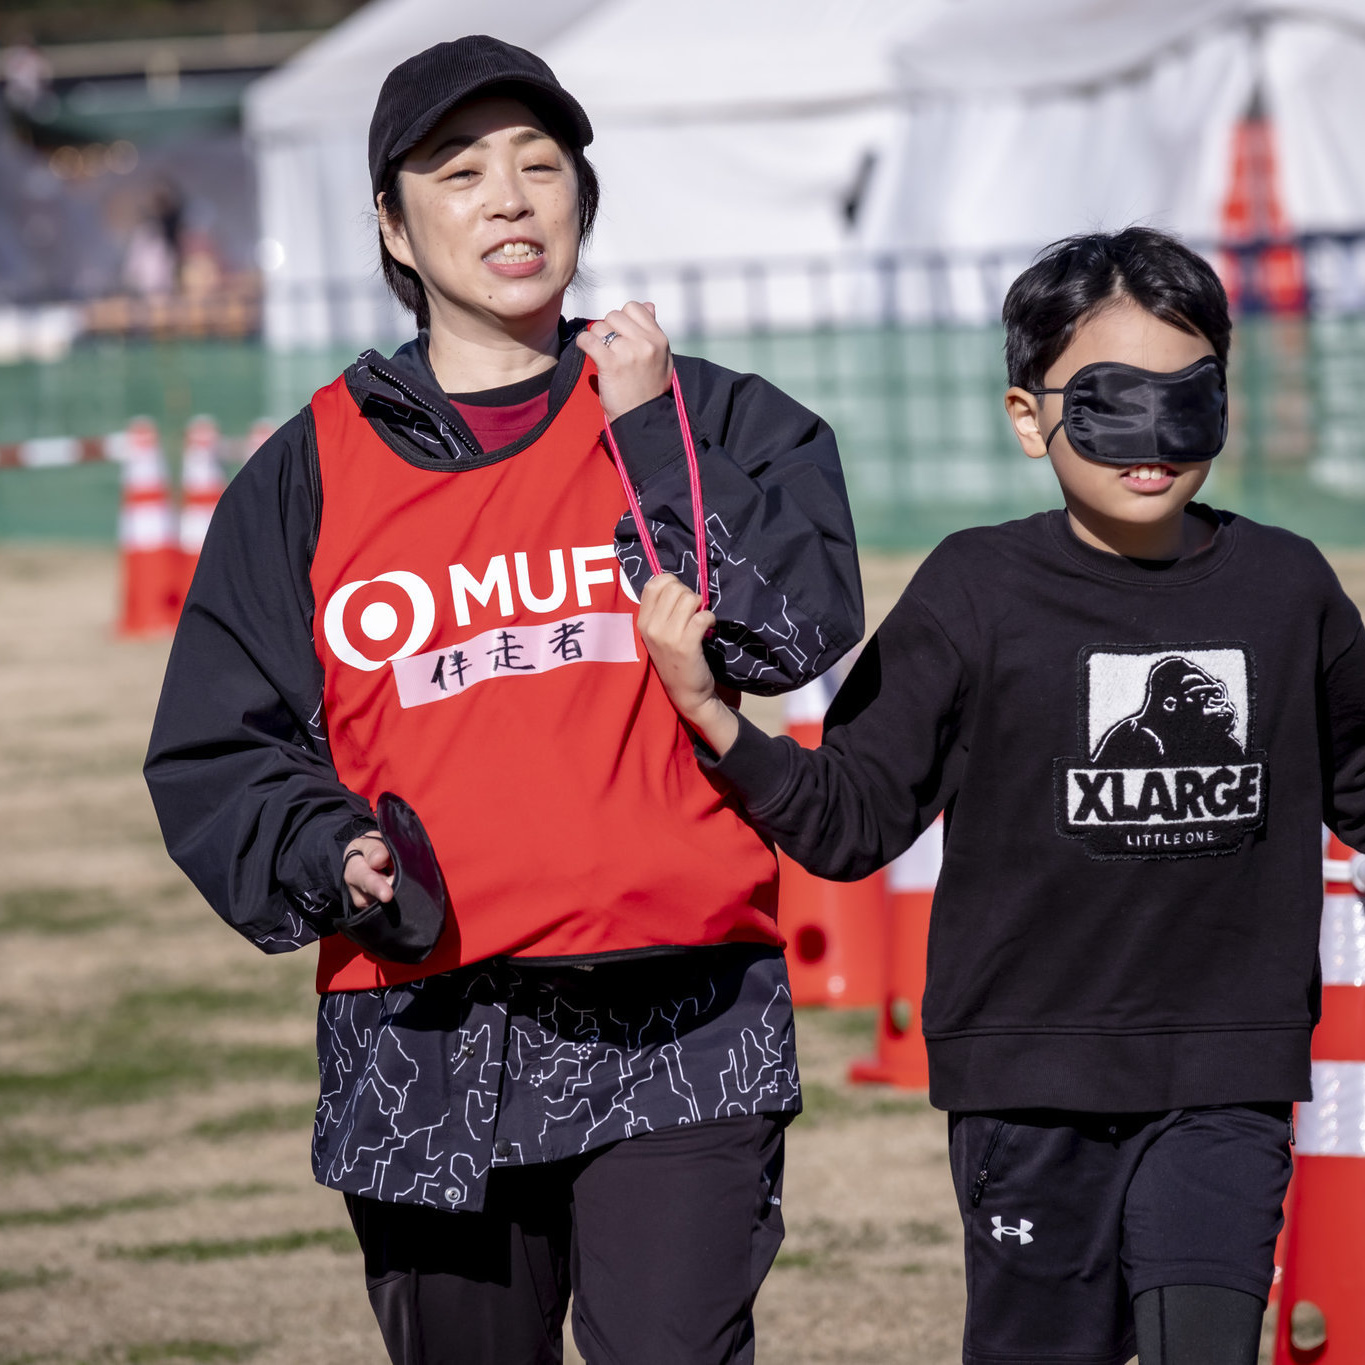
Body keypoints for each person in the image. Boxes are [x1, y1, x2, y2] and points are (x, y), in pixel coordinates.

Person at [144, 35, 864, 1365]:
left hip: (685, 1014)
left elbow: (795, 631)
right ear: (392, 224)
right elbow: (218, 749)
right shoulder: (309, 469)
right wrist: (325, 849)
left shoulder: (706, 417)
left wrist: (646, 438)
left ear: (584, 197)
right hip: (422, 1026)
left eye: (541, 165)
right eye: (459, 171)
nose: (510, 199)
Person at [636, 226, 1365, 1365]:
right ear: (1029, 417)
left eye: (1186, 399)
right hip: (1027, 1087)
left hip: (1227, 1076)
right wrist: (715, 718)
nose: (1152, 439)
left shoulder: (1288, 588)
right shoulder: (972, 590)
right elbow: (853, 818)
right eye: (1111, 401)